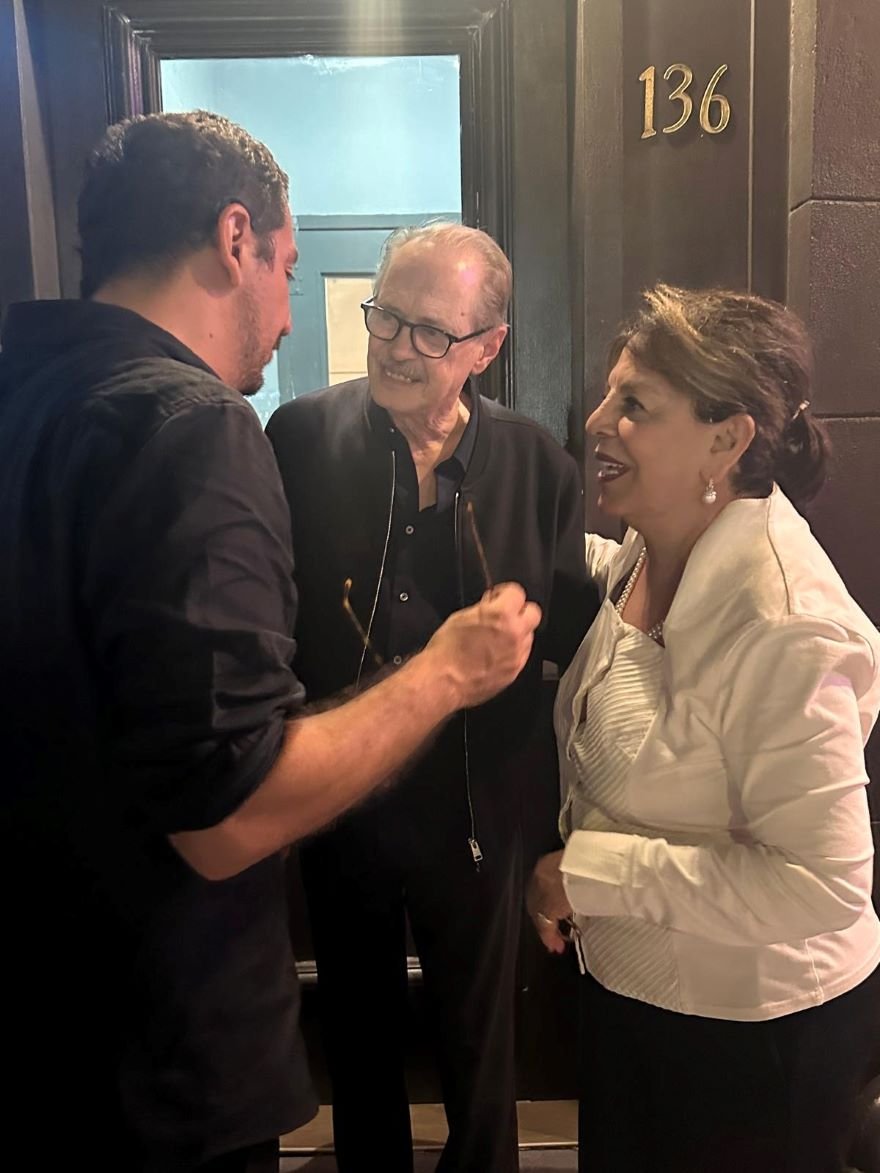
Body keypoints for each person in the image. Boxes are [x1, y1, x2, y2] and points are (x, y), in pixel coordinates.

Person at [0, 112, 542, 1173]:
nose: (295, 319)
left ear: (487, 349)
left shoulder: (26, 390)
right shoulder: (203, 427)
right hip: (157, 1059)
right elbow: (228, 810)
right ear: (235, 237)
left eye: (430, 331)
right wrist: (444, 672)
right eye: (292, 271)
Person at [266, 222, 597, 1173]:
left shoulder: (538, 465)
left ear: (487, 348)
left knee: (481, 1049)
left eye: (431, 333)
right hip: (340, 798)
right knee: (356, 1039)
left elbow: (573, 640)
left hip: (482, 812)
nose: (396, 348)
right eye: (387, 317)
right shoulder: (298, 438)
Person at [527, 284, 880, 1173]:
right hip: (637, 998)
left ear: (727, 440)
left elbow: (823, 885)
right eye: (609, 395)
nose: (598, 421)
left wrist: (587, 874)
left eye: (635, 405)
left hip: (752, 1043)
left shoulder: (787, 624)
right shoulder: (658, 545)